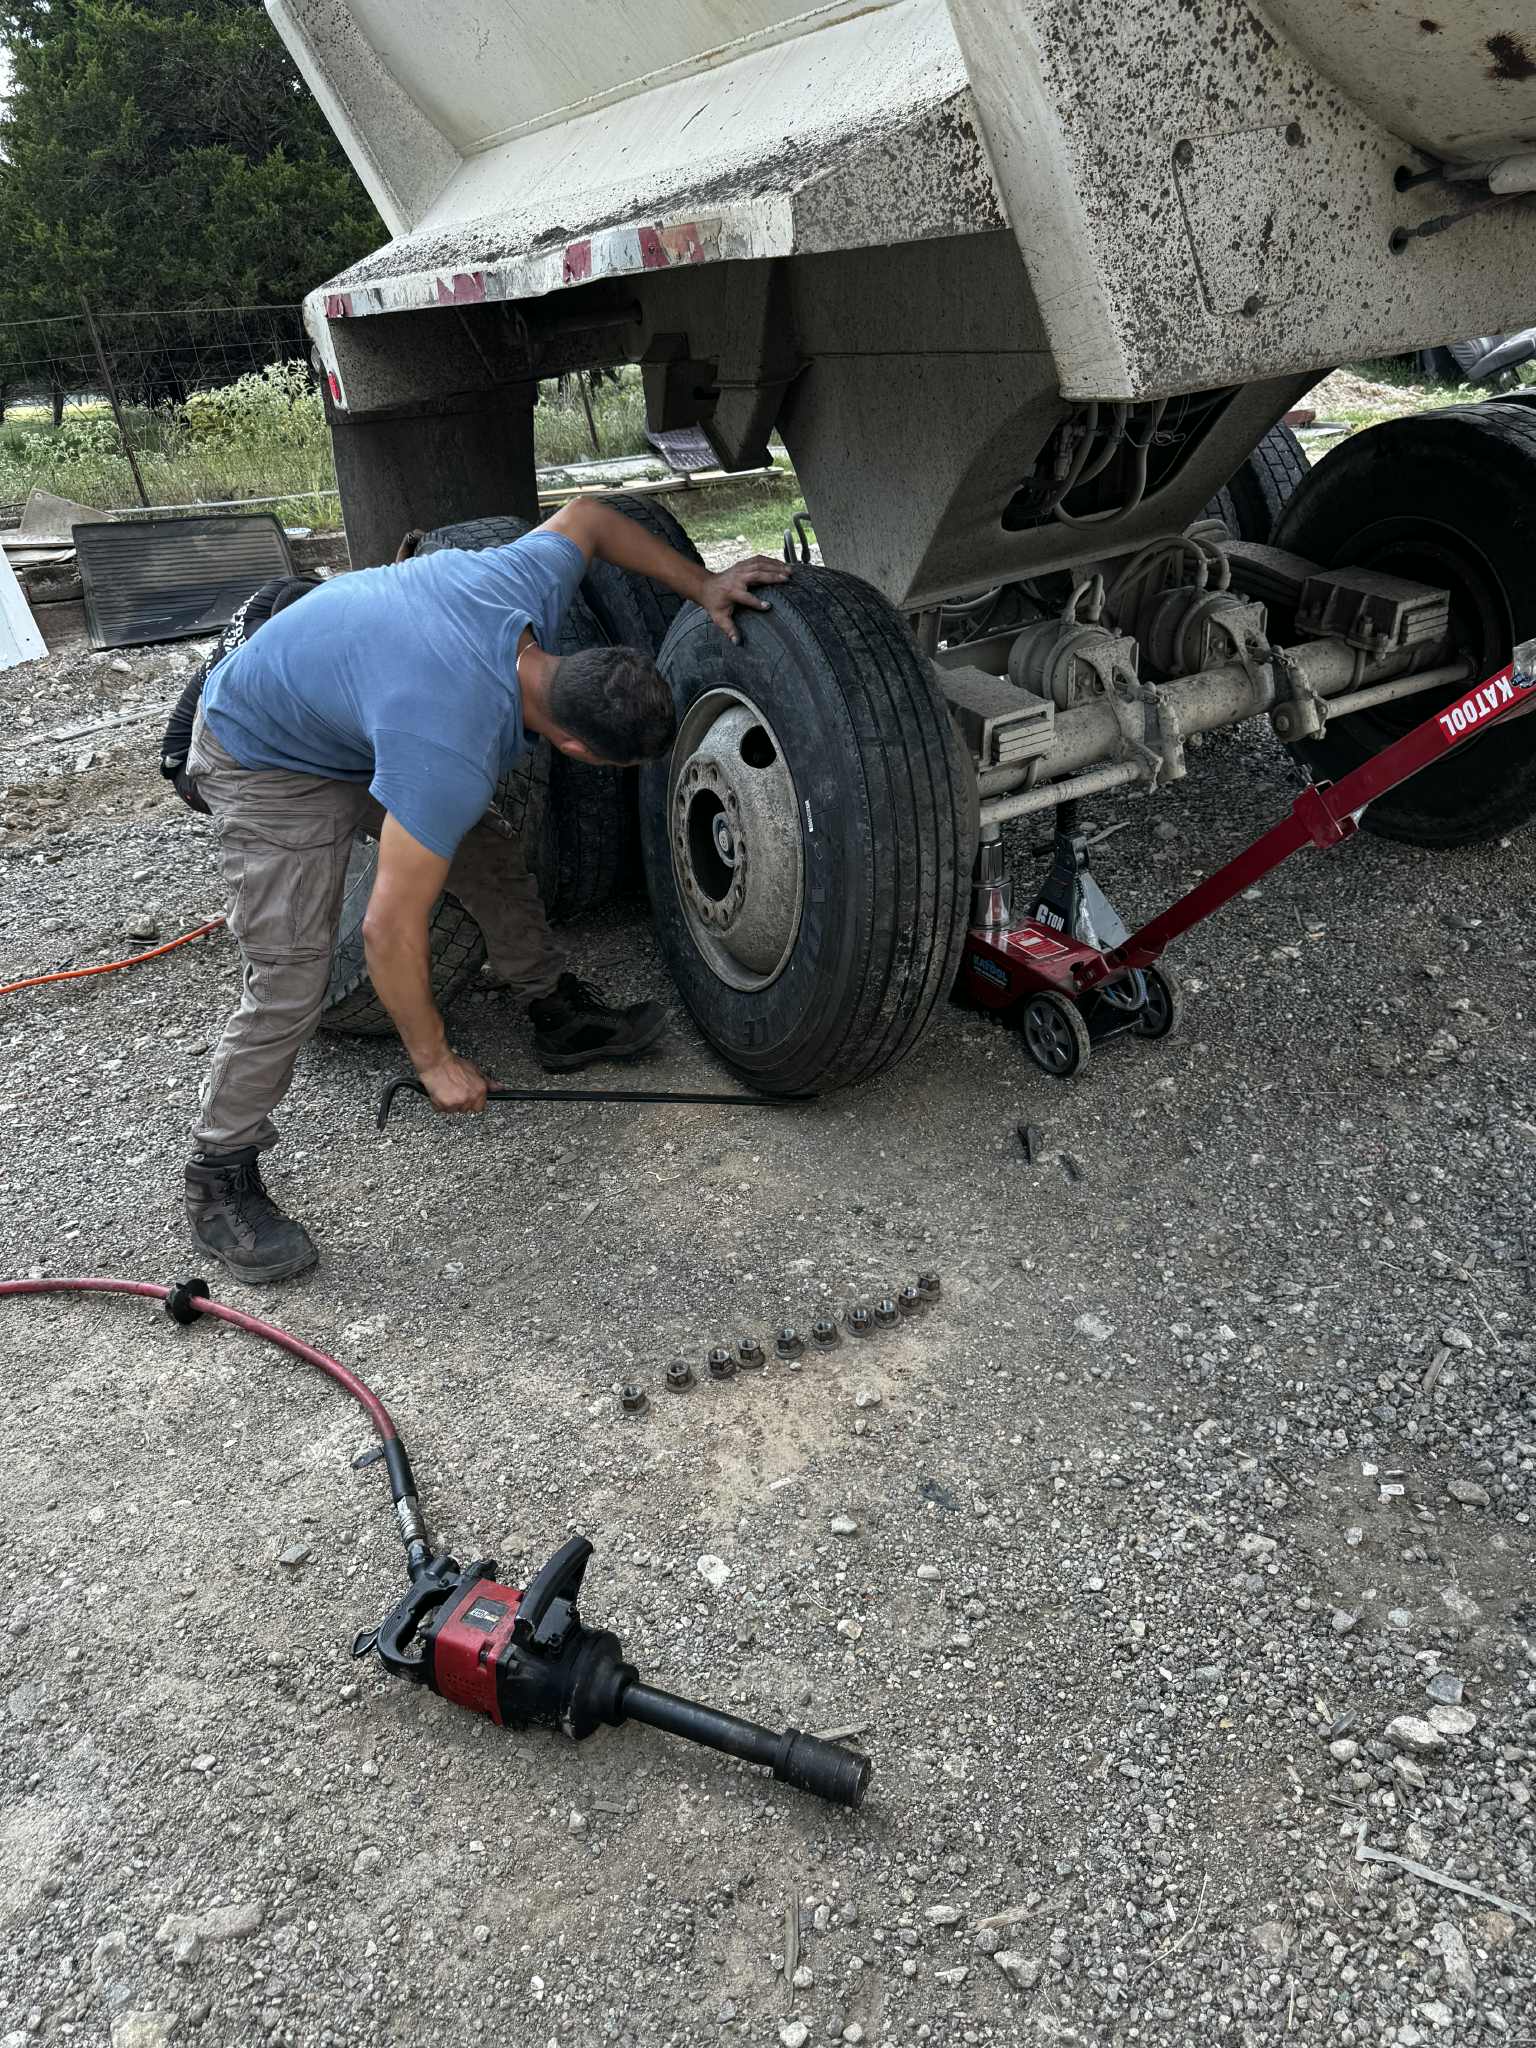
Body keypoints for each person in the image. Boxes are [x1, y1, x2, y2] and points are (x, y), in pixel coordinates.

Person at [182, 497, 788, 1283]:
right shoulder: (448, 750)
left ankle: (552, 1009)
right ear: (571, 743)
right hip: (264, 752)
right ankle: (217, 1170)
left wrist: (703, 584)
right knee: (292, 972)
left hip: (356, 715)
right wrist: (433, 1060)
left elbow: (592, 517)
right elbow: (387, 930)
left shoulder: (524, 584)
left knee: (489, 854)